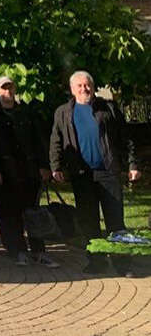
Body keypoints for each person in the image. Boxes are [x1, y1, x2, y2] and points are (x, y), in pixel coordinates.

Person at [51, 71, 140, 278]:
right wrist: (56, 166)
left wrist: (132, 164)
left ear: (93, 86)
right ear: (72, 89)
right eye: (79, 86)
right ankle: (97, 261)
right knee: (88, 221)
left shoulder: (108, 108)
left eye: (87, 85)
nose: (84, 89)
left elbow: (125, 139)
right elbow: (56, 141)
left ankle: (123, 264)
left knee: (115, 220)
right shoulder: (63, 112)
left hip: (108, 173)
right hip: (82, 175)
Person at [0, 77, 58, 268]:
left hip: (29, 172)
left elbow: (39, 139)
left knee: (33, 213)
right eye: (4, 88)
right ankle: (18, 251)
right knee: (9, 215)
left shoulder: (26, 112)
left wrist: (44, 166)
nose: (8, 91)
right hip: (5, 175)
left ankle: (39, 251)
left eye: (10, 87)